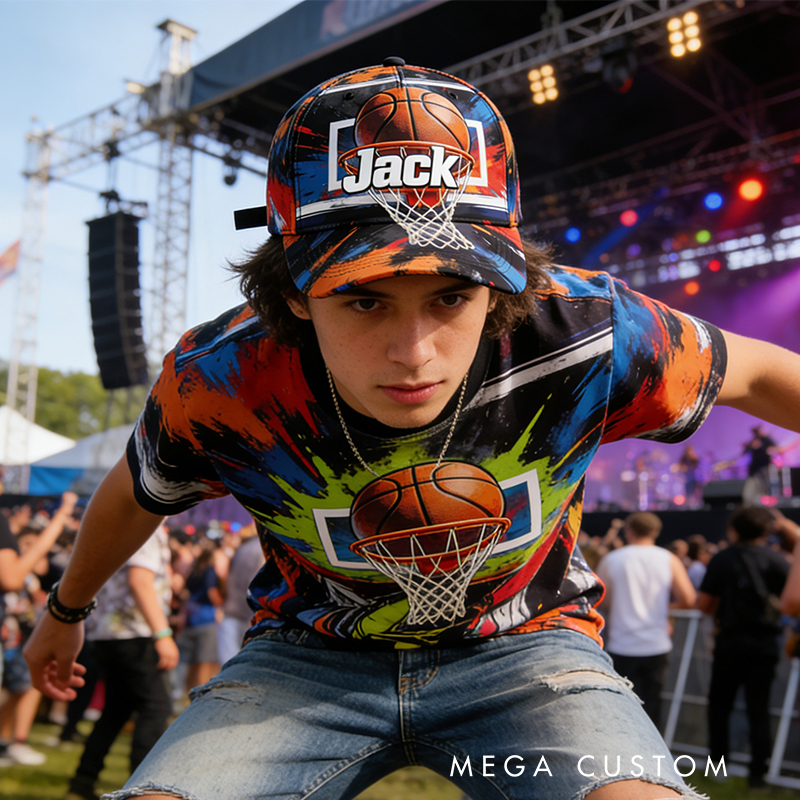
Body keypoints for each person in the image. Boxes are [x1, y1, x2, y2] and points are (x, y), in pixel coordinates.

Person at [23, 59, 800, 800]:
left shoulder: (590, 333)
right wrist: (64, 613)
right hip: (305, 657)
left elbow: (762, 374)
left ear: (501, 281)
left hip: (528, 648)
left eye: (452, 296)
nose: (414, 351)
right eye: (365, 300)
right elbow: (138, 488)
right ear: (293, 292)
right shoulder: (222, 379)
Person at [64, 523, 178, 800]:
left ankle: (82, 782)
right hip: (134, 633)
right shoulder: (148, 523)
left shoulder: (128, 522)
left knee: (115, 711)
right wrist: (162, 633)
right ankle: (142, 791)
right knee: (156, 707)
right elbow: (138, 581)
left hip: (109, 632)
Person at [697, 506, 798, 788]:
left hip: (729, 643)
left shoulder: (722, 559)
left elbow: (703, 605)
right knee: (759, 709)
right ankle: (758, 774)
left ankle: (718, 766)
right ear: (767, 531)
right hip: (765, 644)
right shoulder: (778, 561)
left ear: (733, 529)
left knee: (720, 707)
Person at [596, 512, 696, 728]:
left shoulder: (612, 559)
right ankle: (655, 758)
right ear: (655, 532)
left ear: (629, 531)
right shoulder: (669, 559)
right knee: (653, 707)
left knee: (622, 708)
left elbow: (601, 599)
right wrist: (662, 609)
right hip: (656, 643)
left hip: (621, 644)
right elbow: (688, 599)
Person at [0, 492, 76, 764]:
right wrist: (60, 516)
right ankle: (12, 742)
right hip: (15, 632)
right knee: (24, 686)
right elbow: (11, 577)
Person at [216, 522, 264, 665]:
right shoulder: (262, 549)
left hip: (232, 611)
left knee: (229, 664)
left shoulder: (241, 549)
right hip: (251, 614)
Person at [741, 424, 778, 504]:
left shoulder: (766, 440)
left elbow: (774, 448)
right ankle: (751, 503)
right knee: (751, 489)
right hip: (754, 469)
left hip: (764, 467)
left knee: (765, 486)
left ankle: (765, 502)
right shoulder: (753, 440)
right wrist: (749, 445)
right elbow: (745, 451)